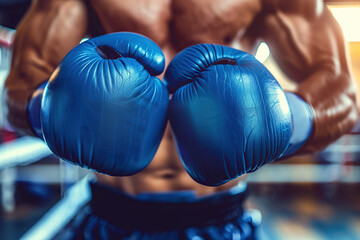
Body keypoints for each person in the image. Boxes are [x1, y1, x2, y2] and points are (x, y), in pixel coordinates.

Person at [4, 0, 358, 239]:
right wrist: (47, 108)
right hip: (114, 211)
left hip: (221, 212)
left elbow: (342, 94)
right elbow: (19, 87)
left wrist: (286, 120)